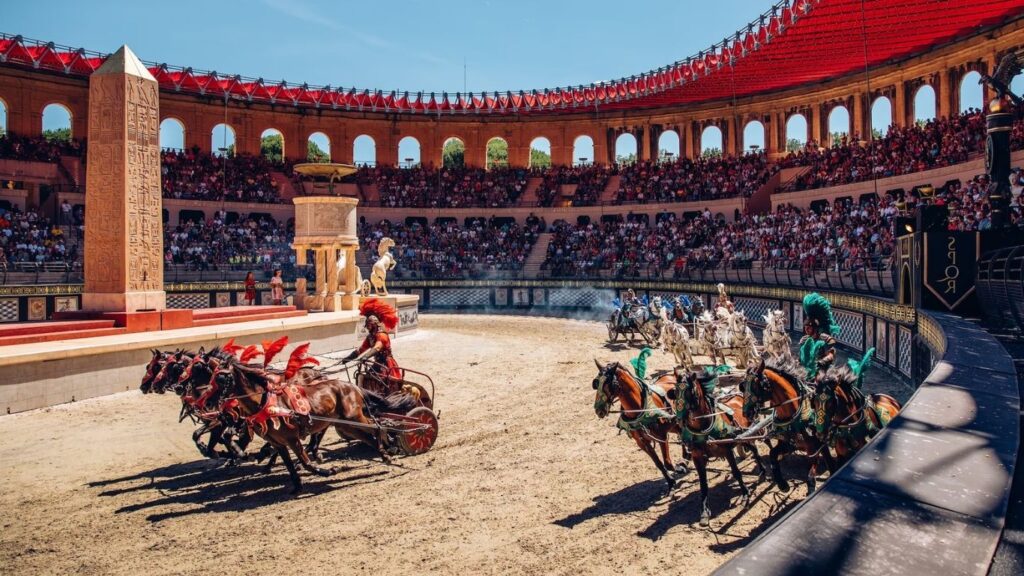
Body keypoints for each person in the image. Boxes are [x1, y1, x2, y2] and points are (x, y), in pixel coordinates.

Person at [343, 299, 403, 390]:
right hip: (377, 363)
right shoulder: (370, 337)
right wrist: (348, 358)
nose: (367, 328)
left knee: (383, 383)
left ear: (374, 325)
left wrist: (365, 357)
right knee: (366, 378)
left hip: (386, 364)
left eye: (369, 325)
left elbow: (377, 348)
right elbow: (360, 350)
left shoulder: (382, 335)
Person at [799, 292, 840, 381]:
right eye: (805, 327)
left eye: (809, 327)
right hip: (806, 372)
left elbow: (831, 354)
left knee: (822, 386)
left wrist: (821, 362)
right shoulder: (804, 340)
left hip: (823, 372)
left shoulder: (826, 339)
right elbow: (801, 358)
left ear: (816, 327)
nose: (807, 329)